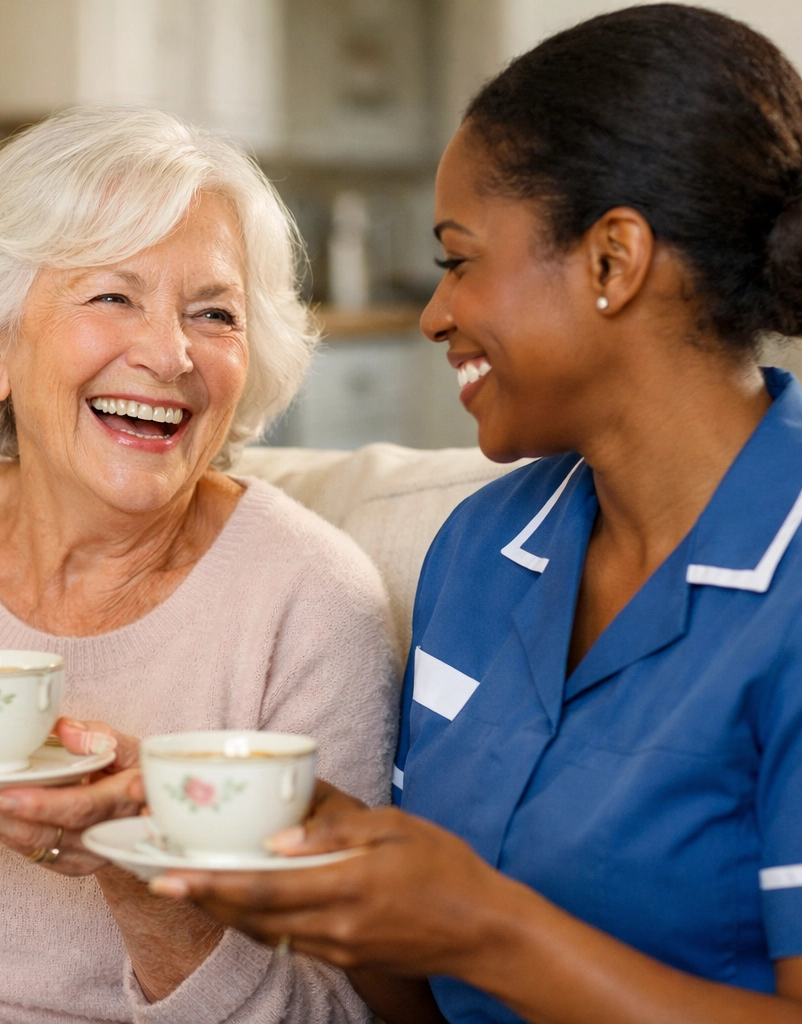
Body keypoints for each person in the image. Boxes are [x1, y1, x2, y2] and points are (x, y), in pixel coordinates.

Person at [153, 6, 802, 1023]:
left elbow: (475, 936)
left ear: (611, 261)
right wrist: (335, 877)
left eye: (459, 258)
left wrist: (481, 927)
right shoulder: (484, 548)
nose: (433, 313)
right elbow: (423, 1003)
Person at [0, 107, 399, 1023]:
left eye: (214, 313)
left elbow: (343, 1011)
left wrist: (141, 870)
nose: (169, 353)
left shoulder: (310, 600)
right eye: (113, 296)